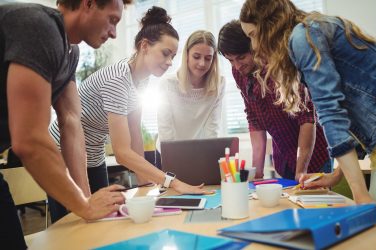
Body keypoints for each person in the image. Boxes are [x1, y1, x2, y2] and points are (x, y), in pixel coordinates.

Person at [239, 0, 376, 238]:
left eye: (252, 34)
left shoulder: (303, 38)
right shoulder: (312, 28)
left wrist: (360, 193)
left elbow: (331, 112)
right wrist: (336, 175)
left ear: (268, 26)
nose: (253, 45)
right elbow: (350, 113)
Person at [48, 6, 209, 222]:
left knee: (101, 220)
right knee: (73, 224)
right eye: (165, 53)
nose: (170, 62)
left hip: (93, 153)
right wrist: (173, 182)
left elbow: (135, 134)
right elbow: (122, 152)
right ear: (144, 46)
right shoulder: (117, 79)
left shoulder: (142, 80)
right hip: (63, 150)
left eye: (173, 55)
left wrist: (145, 183)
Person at [0, 0, 132, 249]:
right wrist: (83, 206)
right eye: (112, 20)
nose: (114, 33)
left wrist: (85, 202)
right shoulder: (39, 26)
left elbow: (71, 121)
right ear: (88, 4)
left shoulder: (70, 51)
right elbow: (29, 140)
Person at [217, 20, 331, 180]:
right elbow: (254, 118)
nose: (236, 66)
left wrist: (301, 171)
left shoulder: (281, 68)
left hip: (313, 156)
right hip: (284, 158)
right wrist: (257, 173)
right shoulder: (240, 73)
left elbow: (307, 119)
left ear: (254, 46)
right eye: (230, 60)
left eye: (241, 57)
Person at [156, 30, 225, 166]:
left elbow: (213, 129)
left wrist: (210, 160)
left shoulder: (219, 84)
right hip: (168, 152)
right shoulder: (168, 84)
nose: (202, 64)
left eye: (208, 58)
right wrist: (176, 160)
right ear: (186, 55)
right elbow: (166, 130)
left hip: (198, 154)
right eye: (196, 56)